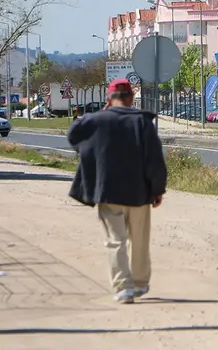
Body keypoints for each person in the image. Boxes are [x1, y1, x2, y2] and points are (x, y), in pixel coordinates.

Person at [67, 79, 167, 304]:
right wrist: (157, 190)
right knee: (139, 240)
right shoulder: (142, 122)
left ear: (108, 99)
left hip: (107, 191)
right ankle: (140, 283)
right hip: (139, 193)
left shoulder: (96, 121)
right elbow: (155, 161)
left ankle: (123, 288)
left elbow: (73, 135)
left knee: (115, 240)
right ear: (131, 98)